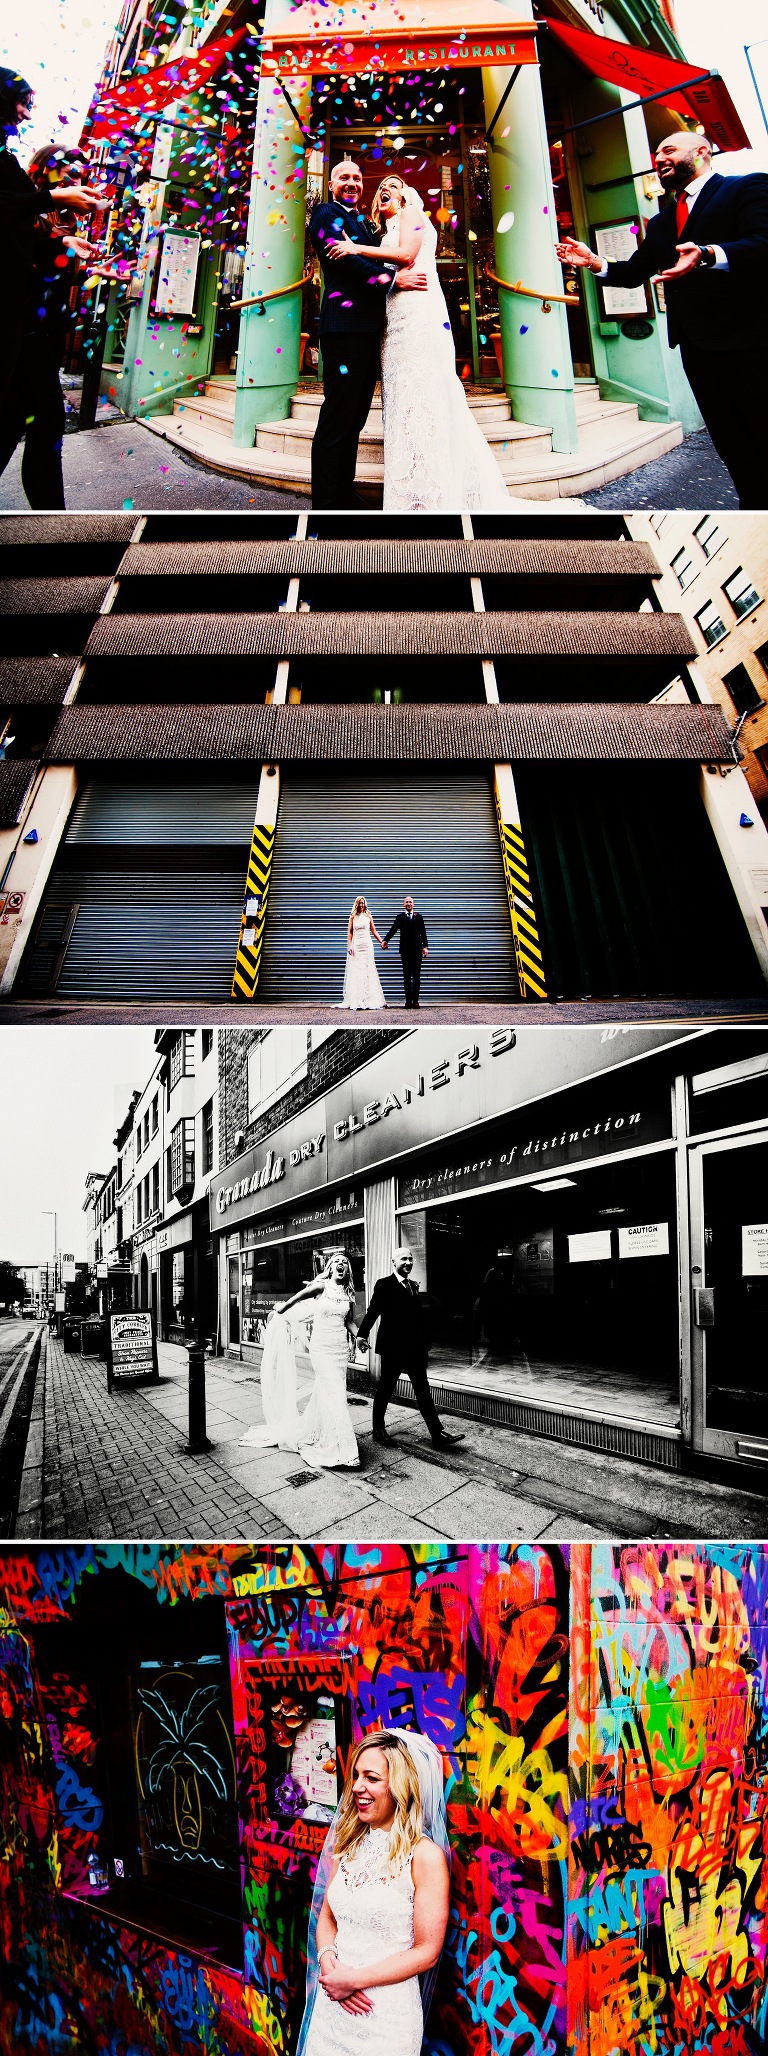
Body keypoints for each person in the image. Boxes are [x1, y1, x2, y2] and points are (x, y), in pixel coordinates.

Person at [554, 130, 768, 510]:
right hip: (697, 347)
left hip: (752, 339)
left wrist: (706, 253)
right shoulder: (663, 220)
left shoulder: (746, 188)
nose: (659, 157)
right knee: (732, 441)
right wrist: (594, 262)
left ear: (701, 151)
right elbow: (633, 272)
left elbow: (764, 243)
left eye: (668, 149)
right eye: (655, 152)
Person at [326, 175, 511, 511]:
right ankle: (413, 485)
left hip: (417, 311)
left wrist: (354, 248)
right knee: (403, 398)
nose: (385, 190)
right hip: (392, 317)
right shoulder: (382, 231)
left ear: (405, 194)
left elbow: (408, 255)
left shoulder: (412, 213)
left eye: (393, 186)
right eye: (381, 188)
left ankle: (434, 488)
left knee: (424, 390)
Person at [297, 1727, 451, 2056]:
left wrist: (355, 1980)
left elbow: (428, 1951)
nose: (356, 1787)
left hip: (383, 2018)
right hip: (332, 2007)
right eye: (356, 1776)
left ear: (399, 1786)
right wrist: (329, 1966)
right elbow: (327, 1917)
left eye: (371, 1777)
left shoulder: (424, 1857)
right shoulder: (348, 1842)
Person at [0, 68, 106, 506]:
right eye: (21, 101)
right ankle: (52, 521)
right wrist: (53, 204)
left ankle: (52, 521)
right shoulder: (22, 181)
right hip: (16, 324)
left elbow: (29, 245)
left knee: (36, 423)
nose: (26, 112)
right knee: (33, 423)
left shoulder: (8, 165)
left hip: (36, 331)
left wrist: (67, 246)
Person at [308, 159, 428, 509]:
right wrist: (392, 279)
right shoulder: (326, 214)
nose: (352, 183)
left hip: (366, 331)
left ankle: (343, 494)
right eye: (344, 177)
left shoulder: (361, 222)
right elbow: (342, 260)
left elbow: (375, 256)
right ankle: (327, 506)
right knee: (338, 419)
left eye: (357, 179)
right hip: (344, 331)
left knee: (354, 419)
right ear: (332, 185)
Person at [242, 1251, 360, 1470]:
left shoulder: (348, 1293)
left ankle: (321, 1432)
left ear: (348, 1269)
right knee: (334, 1394)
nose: (342, 1265)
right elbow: (299, 1296)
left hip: (339, 1350)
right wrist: (283, 1308)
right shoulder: (321, 1287)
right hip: (322, 1347)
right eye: (338, 1262)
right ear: (331, 1267)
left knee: (330, 1392)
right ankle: (346, 1450)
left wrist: (359, 1336)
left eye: (345, 1263)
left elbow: (350, 1322)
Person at [356, 1248, 464, 1452]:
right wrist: (362, 1335)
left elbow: (419, 1320)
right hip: (393, 1348)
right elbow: (373, 1312)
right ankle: (378, 1430)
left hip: (415, 1348)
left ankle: (437, 1434)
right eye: (404, 1259)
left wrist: (426, 1343)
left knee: (423, 1390)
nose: (408, 1262)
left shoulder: (413, 1286)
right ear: (393, 1262)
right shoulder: (384, 1284)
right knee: (385, 1389)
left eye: (411, 1259)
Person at [341, 895, 387, 1011]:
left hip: (367, 945)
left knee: (368, 969)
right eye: (359, 903)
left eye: (363, 903)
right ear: (357, 904)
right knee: (358, 970)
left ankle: (369, 999)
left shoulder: (368, 916)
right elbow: (350, 933)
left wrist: (382, 941)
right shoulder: (352, 917)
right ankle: (357, 999)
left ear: (365, 904)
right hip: (357, 946)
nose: (361, 905)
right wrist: (350, 946)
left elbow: (374, 930)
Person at [382, 897, 428, 1010]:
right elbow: (393, 930)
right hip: (405, 950)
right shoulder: (400, 917)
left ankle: (416, 1001)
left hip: (417, 950)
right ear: (404, 904)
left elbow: (423, 933)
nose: (408, 904)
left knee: (416, 976)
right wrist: (385, 940)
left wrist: (425, 947)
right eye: (407, 902)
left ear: (413, 904)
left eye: (410, 902)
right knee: (407, 975)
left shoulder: (419, 917)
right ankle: (408, 1001)